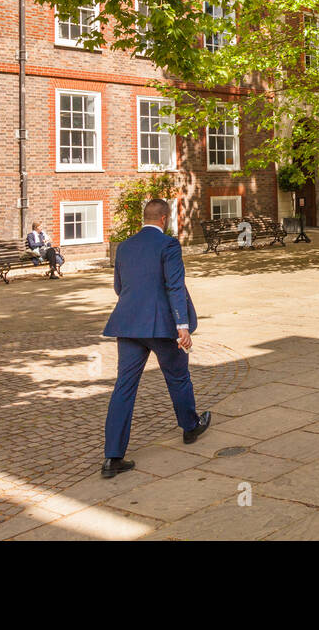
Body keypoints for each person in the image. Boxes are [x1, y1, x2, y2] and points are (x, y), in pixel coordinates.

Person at [100, 198, 211, 479]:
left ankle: (113, 457)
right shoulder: (169, 245)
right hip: (162, 326)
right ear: (164, 219)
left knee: (124, 388)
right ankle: (190, 426)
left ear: (145, 218)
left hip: (127, 324)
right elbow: (174, 284)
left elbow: (119, 287)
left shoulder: (124, 246)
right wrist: (182, 325)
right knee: (177, 377)